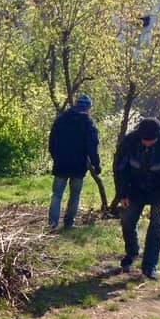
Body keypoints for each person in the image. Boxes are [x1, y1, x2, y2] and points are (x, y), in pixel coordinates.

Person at [115, 117, 160, 280]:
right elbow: (120, 168)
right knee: (127, 221)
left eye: (151, 141)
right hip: (135, 189)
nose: (147, 144)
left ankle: (150, 266)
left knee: (157, 225)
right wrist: (123, 193)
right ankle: (132, 253)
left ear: (158, 137)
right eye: (144, 141)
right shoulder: (129, 142)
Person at [48, 94, 101, 230]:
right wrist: (96, 164)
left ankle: (52, 225)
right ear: (88, 108)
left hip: (61, 163)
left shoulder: (60, 120)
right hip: (79, 165)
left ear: (75, 105)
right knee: (75, 195)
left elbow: (52, 143)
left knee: (57, 195)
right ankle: (69, 223)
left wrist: (56, 157)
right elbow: (92, 146)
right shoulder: (88, 123)